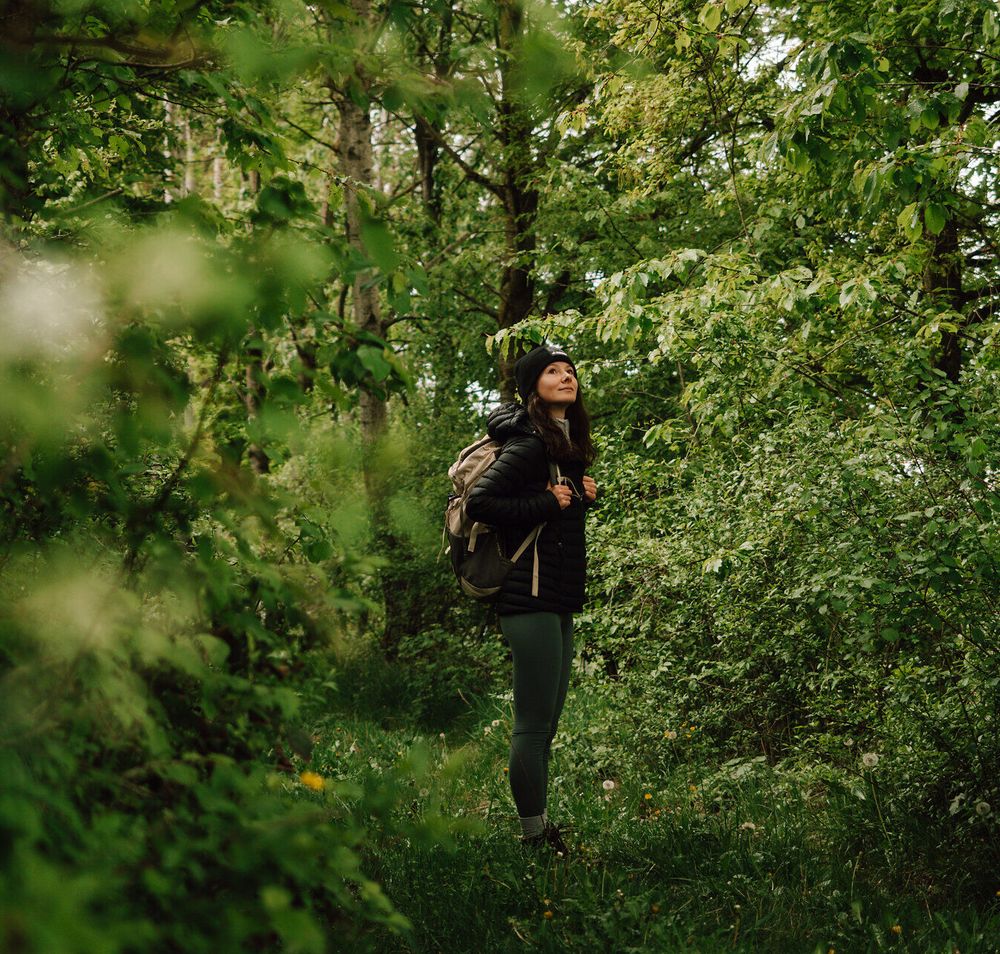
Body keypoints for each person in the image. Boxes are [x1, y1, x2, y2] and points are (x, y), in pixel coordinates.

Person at [465, 344, 598, 856]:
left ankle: (540, 829)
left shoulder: (562, 445)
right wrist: (547, 500)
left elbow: (552, 523)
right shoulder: (529, 444)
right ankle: (533, 838)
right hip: (530, 599)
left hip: (556, 597)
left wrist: (578, 496)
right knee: (534, 724)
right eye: (552, 371)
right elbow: (482, 502)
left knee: (547, 726)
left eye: (570, 370)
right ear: (531, 388)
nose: (566, 377)